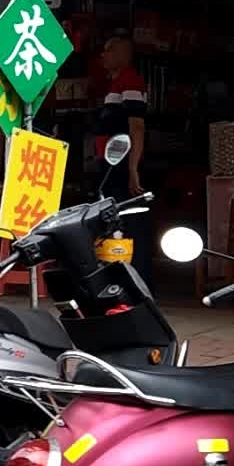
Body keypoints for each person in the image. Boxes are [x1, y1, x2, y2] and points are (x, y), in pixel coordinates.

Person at [95, 32, 151, 284]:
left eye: (109, 49)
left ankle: (135, 279)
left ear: (123, 54)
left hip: (122, 165)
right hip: (111, 164)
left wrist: (133, 168)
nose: (103, 55)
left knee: (128, 221)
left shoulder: (130, 81)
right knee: (113, 221)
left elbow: (136, 126)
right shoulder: (114, 83)